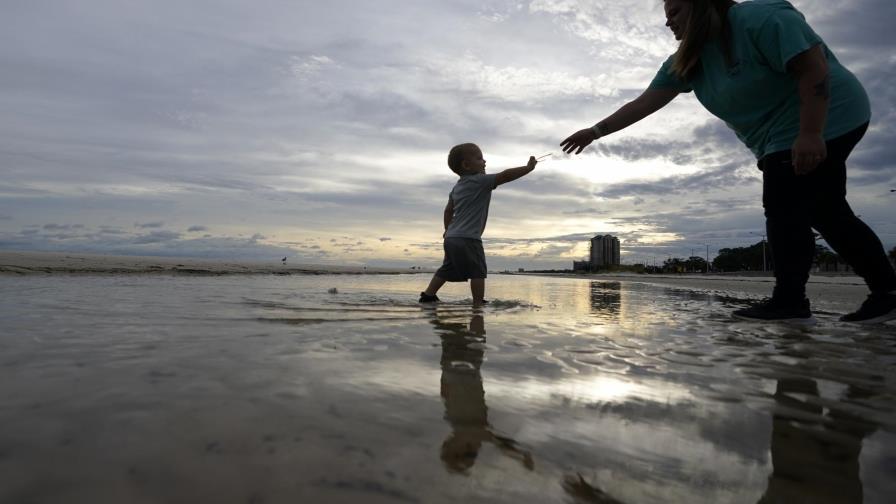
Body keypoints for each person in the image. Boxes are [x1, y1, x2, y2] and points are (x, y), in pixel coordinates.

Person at [560, 0, 896, 323]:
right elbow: (644, 103)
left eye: (674, 10)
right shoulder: (687, 60)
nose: (668, 21)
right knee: (826, 211)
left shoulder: (758, 18)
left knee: (785, 204)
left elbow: (813, 67)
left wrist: (810, 133)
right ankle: (885, 293)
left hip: (827, 114)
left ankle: (791, 301)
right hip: (776, 137)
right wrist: (594, 131)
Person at [419, 143, 537, 306]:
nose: (484, 161)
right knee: (478, 271)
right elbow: (505, 176)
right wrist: (528, 168)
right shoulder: (480, 181)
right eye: (479, 158)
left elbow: (448, 211)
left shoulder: (456, 188)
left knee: (447, 268)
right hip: (469, 238)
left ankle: (428, 295)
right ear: (466, 165)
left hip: (451, 237)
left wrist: (447, 230)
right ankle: (477, 303)